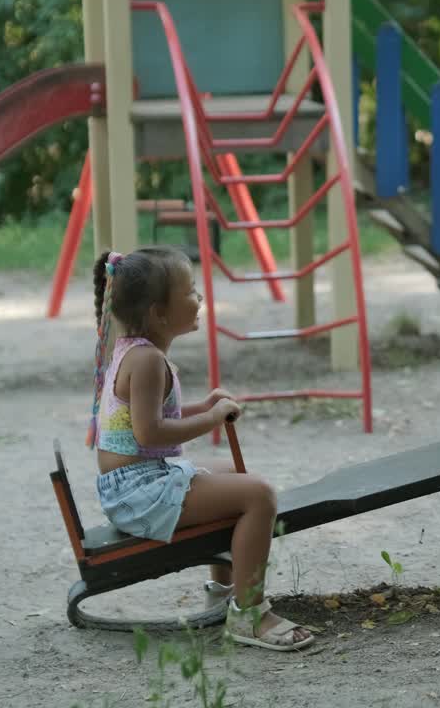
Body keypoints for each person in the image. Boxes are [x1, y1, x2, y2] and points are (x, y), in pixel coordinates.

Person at [89, 247, 314, 647]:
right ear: (160, 312)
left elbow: (149, 419)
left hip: (137, 482)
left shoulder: (136, 352)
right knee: (259, 495)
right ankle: (250, 613)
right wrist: (211, 419)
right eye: (191, 292)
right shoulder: (146, 361)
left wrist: (203, 406)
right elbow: (150, 434)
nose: (200, 300)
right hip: (138, 492)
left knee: (231, 478)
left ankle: (223, 593)